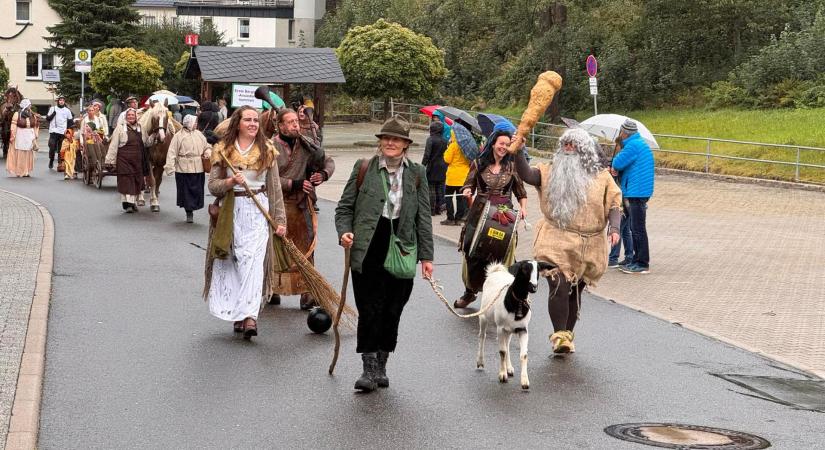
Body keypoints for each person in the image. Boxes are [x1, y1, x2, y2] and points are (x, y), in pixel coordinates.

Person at [335, 115, 434, 393]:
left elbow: (423, 218)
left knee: (392, 309)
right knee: (369, 308)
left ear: (405, 144)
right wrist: (344, 232)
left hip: (401, 247)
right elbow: (344, 208)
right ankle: (367, 368)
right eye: (386, 138)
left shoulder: (417, 173)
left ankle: (382, 362)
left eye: (396, 139)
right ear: (381, 142)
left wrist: (427, 258)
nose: (390, 143)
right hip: (367, 246)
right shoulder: (364, 167)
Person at [513, 128, 622, 354]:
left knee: (575, 291)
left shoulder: (602, 176)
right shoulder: (550, 171)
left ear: (584, 149)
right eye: (565, 144)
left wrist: (615, 228)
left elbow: (613, 204)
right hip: (556, 239)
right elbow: (527, 175)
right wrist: (518, 151)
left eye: (573, 145)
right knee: (559, 285)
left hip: (589, 244)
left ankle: (567, 335)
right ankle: (560, 335)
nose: (568, 148)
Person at [203, 106, 287, 339]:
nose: (252, 124)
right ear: (237, 123)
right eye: (247, 120)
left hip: (258, 210)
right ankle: (239, 314)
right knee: (236, 261)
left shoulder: (267, 150)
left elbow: (275, 189)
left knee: (253, 261)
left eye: (255, 120)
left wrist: (280, 220)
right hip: (231, 211)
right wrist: (230, 181)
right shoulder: (223, 150)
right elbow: (212, 186)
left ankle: (250, 316)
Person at [454, 127, 528, 308]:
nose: (504, 147)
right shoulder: (478, 163)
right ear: (493, 143)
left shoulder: (512, 166)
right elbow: (467, 184)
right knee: (473, 254)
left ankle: (504, 297)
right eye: (501, 143)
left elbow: (521, 192)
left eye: (507, 144)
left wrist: (524, 208)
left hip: (504, 215)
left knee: (502, 255)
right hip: (479, 212)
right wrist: (467, 191)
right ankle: (470, 293)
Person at [269, 108, 334, 309]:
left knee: (306, 248)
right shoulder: (270, 147)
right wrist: (294, 183)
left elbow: (328, 161)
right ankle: (272, 288)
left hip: (301, 205)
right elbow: (266, 178)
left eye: (296, 121)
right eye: (289, 122)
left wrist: (322, 174)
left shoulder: (307, 144)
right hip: (277, 206)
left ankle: (307, 292)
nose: (295, 125)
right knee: (275, 249)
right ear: (280, 126)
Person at [612, 119, 655, 274]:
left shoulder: (632, 145)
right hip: (639, 190)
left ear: (625, 133)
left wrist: (616, 164)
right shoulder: (638, 143)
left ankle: (642, 263)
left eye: (621, 132)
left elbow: (617, 162)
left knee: (638, 228)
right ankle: (636, 259)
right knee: (634, 227)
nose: (620, 134)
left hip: (636, 191)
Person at [164, 115, 211, 223]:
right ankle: (188, 211)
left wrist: (208, 151)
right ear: (188, 123)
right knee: (186, 192)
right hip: (183, 168)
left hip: (198, 167)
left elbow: (207, 146)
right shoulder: (178, 136)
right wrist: (170, 166)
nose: (196, 124)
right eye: (194, 122)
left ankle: (193, 207)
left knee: (197, 191)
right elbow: (172, 152)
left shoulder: (199, 134)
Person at [105, 109, 149, 212]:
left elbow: (146, 142)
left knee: (136, 181)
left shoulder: (140, 128)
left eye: (132, 115)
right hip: (124, 159)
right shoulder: (120, 128)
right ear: (126, 117)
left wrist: (155, 137)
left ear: (136, 116)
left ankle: (132, 203)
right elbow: (113, 145)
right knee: (126, 180)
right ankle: (127, 204)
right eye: (128, 115)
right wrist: (109, 160)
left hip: (137, 160)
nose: (130, 117)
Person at [607, 137, 634, 268]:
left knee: (619, 227)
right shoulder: (631, 156)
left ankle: (613, 258)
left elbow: (619, 177)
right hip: (630, 197)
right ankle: (629, 256)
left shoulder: (623, 158)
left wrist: (613, 172)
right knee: (626, 230)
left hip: (624, 199)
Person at [442, 126, 471, 226]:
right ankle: (459, 218)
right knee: (460, 198)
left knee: (448, 197)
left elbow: (447, 159)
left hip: (452, 177)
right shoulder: (467, 147)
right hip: (463, 177)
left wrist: (447, 148)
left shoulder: (453, 146)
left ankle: (450, 218)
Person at [5, 99, 39, 177]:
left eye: (30, 105)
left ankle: (26, 171)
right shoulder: (17, 114)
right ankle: (19, 171)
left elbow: (35, 125)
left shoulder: (32, 114)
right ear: (25, 105)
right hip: (20, 135)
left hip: (29, 136)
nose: (30, 106)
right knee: (20, 153)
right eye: (29, 105)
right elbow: (13, 126)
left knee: (28, 153)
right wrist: (13, 136)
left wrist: (35, 134)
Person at [422, 120, 448, 216]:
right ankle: (438, 209)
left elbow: (427, 155)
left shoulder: (430, 139)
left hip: (432, 166)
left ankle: (431, 209)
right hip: (443, 166)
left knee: (431, 188)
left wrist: (422, 166)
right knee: (439, 188)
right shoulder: (445, 140)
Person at [46, 95, 74, 170]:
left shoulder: (67, 110)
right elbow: (47, 119)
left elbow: (70, 121)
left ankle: (59, 163)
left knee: (61, 149)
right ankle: (51, 160)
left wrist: (68, 130)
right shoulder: (53, 108)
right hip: (53, 131)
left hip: (63, 132)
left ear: (64, 102)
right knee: (52, 146)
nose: (61, 101)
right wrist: (53, 114)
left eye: (63, 100)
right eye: (60, 100)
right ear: (58, 101)